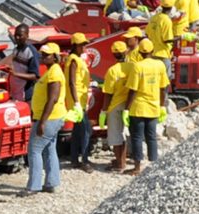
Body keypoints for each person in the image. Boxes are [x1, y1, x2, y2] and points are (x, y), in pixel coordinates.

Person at [26, 45, 67, 194]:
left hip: (50, 118)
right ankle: (51, 183)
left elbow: (53, 99)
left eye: (47, 55)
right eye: (42, 54)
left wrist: (42, 121)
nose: (43, 57)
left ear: (55, 57)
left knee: (34, 150)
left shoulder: (54, 73)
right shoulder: (51, 71)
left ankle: (34, 186)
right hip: (52, 117)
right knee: (49, 149)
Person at [126, 37, 169, 173]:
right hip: (153, 106)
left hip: (138, 107)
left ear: (140, 53)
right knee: (151, 136)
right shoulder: (160, 65)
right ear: (152, 50)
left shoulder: (138, 66)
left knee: (137, 137)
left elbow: (132, 90)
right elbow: (163, 88)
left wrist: (126, 109)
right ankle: (154, 166)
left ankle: (137, 167)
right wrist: (162, 106)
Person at [100, 40, 135, 174]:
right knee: (124, 135)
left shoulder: (112, 71)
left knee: (115, 135)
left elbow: (108, 93)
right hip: (130, 104)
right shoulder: (133, 67)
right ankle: (123, 161)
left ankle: (119, 164)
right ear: (125, 52)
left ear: (114, 54)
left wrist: (103, 111)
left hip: (115, 105)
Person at [63, 34, 95, 170]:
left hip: (80, 99)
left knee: (77, 130)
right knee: (86, 130)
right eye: (82, 45)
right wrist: (76, 102)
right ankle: (85, 160)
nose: (84, 47)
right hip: (77, 101)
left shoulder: (77, 59)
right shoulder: (74, 60)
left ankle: (74, 158)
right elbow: (71, 82)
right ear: (75, 45)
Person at [6, 23, 40, 103]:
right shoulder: (16, 50)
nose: (17, 38)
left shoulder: (31, 52)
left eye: (20, 35)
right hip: (15, 95)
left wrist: (15, 73)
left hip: (26, 96)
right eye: (15, 35)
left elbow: (35, 76)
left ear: (27, 36)